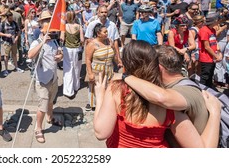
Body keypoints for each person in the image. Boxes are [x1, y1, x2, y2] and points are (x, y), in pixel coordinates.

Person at [93, 40, 221, 148]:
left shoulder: (117, 89)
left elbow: (101, 132)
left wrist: (100, 96)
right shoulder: (170, 104)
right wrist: (215, 113)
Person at [28, 11, 63, 144]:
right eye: (46, 20)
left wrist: (60, 56)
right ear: (41, 24)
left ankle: (50, 118)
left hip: (53, 78)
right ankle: (38, 128)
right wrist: (42, 42)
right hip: (42, 80)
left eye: (50, 19)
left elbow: (60, 54)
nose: (49, 22)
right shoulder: (37, 41)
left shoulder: (54, 41)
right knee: (42, 106)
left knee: (50, 102)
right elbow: (30, 55)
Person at [85, 22, 116, 111]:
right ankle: (95, 107)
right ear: (98, 33)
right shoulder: (92, 44)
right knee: (96, 89)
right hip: (97, 70)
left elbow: (113, 53)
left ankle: (106, 105)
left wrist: (112, 47)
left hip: (109, 69)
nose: (107, 33)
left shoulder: (109, 41)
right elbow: (87, 59)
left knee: (108, 89)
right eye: (105, 32)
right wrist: (90, 73)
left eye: (107, 32)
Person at [60, 11, 84, 99]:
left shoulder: (64, 26)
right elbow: (82, 40)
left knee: (68, 69)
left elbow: (62, 39)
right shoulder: (79, 26)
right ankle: (76, 86)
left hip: (67, 49)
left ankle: (68, 90)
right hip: (77, 49)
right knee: (77, 68)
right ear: (74, 17)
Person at [199, 13, 222, 87]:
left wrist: (218, 52)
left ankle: (209, 91)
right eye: (218, 20)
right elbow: (207, 47)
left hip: (212, 57)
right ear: (215, 21)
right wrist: (216, 56)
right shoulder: (204, 30)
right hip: (206, 58)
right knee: (205, 77)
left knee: (210, 77)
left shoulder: (213, 30)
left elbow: (214, 42)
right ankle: (202, 93)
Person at [0, 11, 24, 75]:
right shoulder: (3, 23)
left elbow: (18, 31)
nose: (11, 19)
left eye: (12, 18)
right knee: (6, 56)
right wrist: (6, 35)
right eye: (10, 18)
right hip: (6, 42)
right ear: (7, 18)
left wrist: (16, 38)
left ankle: (16, 67)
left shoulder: (14, 23)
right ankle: (6, 69)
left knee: (14, 54)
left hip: (13, 41)